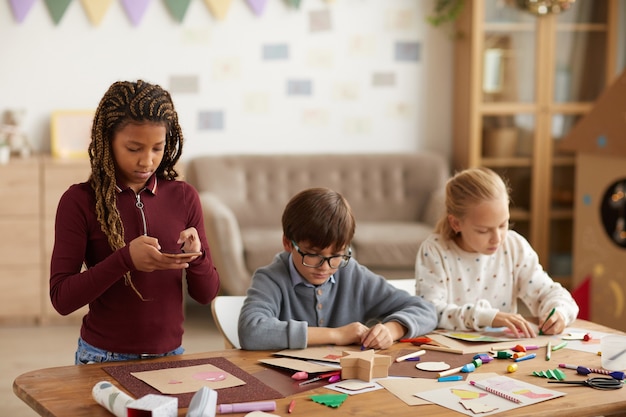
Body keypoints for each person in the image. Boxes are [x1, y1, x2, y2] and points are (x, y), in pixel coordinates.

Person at [49, 80, 220, 364]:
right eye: (134, 148)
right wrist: (125, 259)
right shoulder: (78, 201)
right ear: (108, 141)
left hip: (171, 357)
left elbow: (206, 295)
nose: (147, 161)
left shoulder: (184, 196)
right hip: (101, 358)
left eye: (157, 148)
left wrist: (197, 257)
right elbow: (62, 299)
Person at [238, 187, 438, 351]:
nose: (324, 267)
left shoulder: (352, 274)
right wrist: (337, 334)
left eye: (336, 256)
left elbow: (426, 310)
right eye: (313, 255)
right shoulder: (271, 278)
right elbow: (251, 331)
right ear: (288, 243)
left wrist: (392, 330)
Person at [415, 167, 578, 338]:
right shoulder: (435, 251)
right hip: (449, 354)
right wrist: (489, 317)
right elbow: (431, 312)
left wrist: (558, 313)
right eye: (483, 230)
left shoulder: (514, 246)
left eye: (503, 225)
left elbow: (548, 292)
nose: (497, 238)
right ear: (456, 223)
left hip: (505, 353)